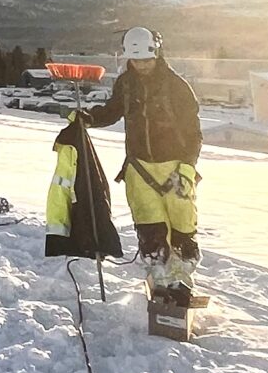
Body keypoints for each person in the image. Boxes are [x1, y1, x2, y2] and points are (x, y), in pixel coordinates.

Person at [86, 26, 202, 312]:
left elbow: (193, 131)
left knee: (182, 227)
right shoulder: (126, 83)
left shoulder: (177, 86)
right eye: (136, 61)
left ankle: (182, 281)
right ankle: (159, 280)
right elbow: (113, 111)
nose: (141, 66)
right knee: (150, 229)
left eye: (146, 60)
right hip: (139, 169)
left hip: (175, 166)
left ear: (157, 53)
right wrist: (88, 118)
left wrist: (188, 166)